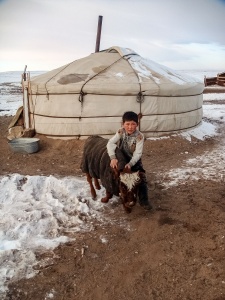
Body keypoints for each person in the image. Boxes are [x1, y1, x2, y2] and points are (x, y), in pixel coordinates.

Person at [107, 111, 152, 211]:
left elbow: (138, 154)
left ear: (137, 124)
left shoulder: (140, 136)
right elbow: (110, 143)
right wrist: (113, 157)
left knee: (141, 178)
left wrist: (131, 164)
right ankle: (114, 192)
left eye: (133, 124)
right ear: (123, 124)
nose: (130, 127)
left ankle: (144, 200)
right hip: (121, 158)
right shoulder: (120, 132)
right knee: (114, 174)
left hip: (134, 161)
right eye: (127, 124)